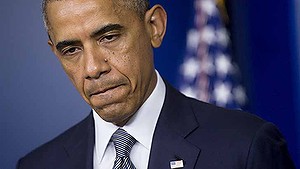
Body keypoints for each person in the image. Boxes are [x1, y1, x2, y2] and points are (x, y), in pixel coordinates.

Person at [17, 0, 295, 168]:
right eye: (71, 50)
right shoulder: (37, 165)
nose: (92, 68)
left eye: (109, 37)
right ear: (55, 52)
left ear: (154, 27)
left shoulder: (246, 148)